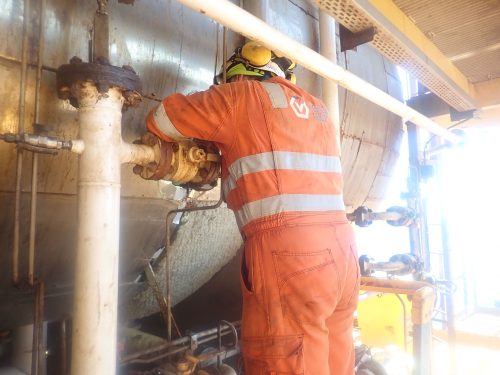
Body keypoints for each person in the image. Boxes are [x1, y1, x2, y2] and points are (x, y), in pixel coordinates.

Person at [145, 41, 360, 375]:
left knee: (285, 358)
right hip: (343, 253)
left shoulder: (240, 96)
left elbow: (162, 119)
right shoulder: (318, 109)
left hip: (291, 257)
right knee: (335, 359)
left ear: (240, 75)